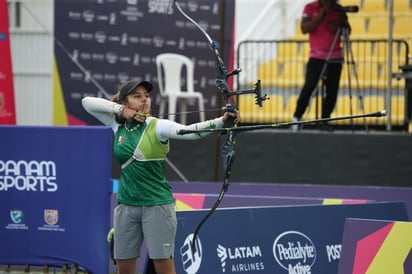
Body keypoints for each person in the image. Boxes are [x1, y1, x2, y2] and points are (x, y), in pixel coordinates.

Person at [82, 79, 240, 274]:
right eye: (137, 96)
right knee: (123, 269)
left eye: (146, 96)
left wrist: (221, 121)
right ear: (125, 102)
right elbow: (87, 102)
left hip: (157, 206)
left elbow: (190, 132)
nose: (144, 101)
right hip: (126, 206)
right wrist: (121, 111)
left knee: (164, 267)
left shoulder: (157, 126)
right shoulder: (118, 125)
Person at [292, 0, 350, 132]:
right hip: (317, 57)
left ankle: (325, 119)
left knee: (332, 90)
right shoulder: (310, 8)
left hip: (335, 57)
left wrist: (337, 28)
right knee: (309, 87)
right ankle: (296, 117)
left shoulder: (338, 10)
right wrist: (321, 15)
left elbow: (348, 30)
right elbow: (304, 28)